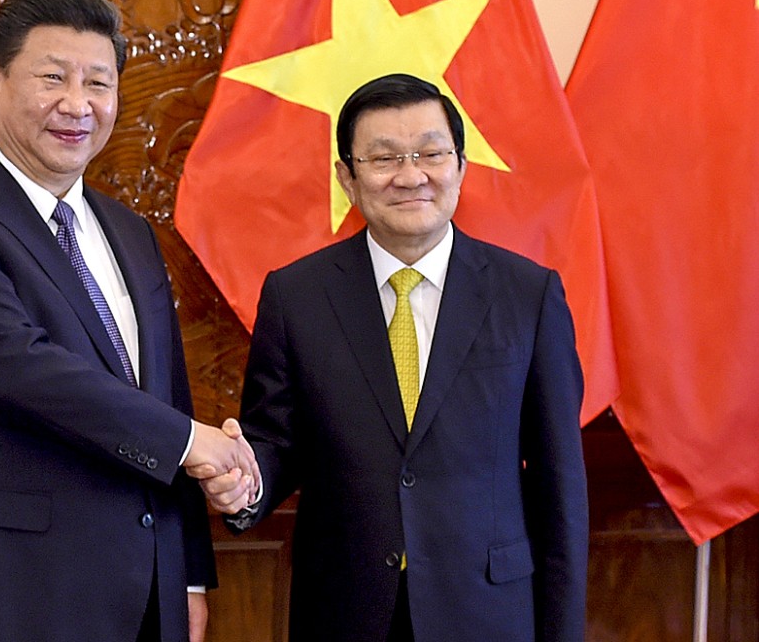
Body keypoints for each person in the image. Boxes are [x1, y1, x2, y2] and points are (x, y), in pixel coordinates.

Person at [0, 0, 255, 642]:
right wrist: (190, 442)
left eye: (98, 83)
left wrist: (190, 577)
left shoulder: (131, 233)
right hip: (8, 590)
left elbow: (168, 396)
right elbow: (19, 369)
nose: (78, 105)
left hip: (146, 595)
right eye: (53, 78)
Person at [195, 74, 589, 641]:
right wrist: (245, 484)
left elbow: (560, 485)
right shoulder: (296, 296)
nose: (411, 176)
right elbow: (277, 442)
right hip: (345, 611)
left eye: (431, 153)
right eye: (383, 159)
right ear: (347, 178)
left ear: (461, 166)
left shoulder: (528, 294)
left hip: (487, 611)